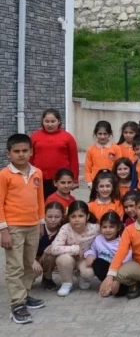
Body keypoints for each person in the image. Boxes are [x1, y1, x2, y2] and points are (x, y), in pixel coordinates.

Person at [1, 133, 46, 324]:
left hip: (33, 225)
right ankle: (17, 304)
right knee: (15, 266)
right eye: (16, 151)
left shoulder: (37, 173)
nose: (21, 155)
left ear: (31, 152)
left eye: (24, 151)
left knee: (29, 264)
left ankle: (25, 294)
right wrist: (4, 230)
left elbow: (40, 200)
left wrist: (41, 222)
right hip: (13, 227)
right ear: (8, 153)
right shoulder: (4, 175)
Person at [50, 200, 100, 296]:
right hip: (70, 258)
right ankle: (67, 282)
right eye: (73, 216)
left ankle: (81, 276)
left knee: (88, 273)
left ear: (87, 216)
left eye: (81, 216)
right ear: (69, 217)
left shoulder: (95, 229)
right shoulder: (66, 228)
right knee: (63, 259)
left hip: (85, 259)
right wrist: (75, 249)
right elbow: (54, 248)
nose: (77, 219)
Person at [30, 109, 79, 197]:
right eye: (47, 121)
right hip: (39, 177)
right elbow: (30, 158)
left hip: (61, 179)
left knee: (61, 204)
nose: (50, 124)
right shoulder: (35, 137)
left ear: (59, 121)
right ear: (42, 122)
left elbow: (73, 159)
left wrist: (74, 180)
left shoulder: (68, 137)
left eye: (53, 121)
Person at [80, 210, 130, 296]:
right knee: (98, 263)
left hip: (119, 271)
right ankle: (106, 285)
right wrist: (89, 255)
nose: (108, 230)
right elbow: (92, 249)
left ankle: (114, 285)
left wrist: (117, 280)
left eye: (111, 227)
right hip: (105, 269)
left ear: (118, 228)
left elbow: (127, 261)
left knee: (120, 293)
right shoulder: (98, 239)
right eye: (104, 227)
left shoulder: (123, 241)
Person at [35, 202, 64, 291]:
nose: (53, 220)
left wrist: (54, 245)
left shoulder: (64, 229)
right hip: (32, 260)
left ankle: (47, 279)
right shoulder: (37, 228)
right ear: (44, 216)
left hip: (48, 259)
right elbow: (25, 248)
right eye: (49, 217)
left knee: (52, 252)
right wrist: (32, 261)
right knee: (26, 282)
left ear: (62, 217)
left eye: (57, 217)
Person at [84, 121, 121, 186]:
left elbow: (119, 166)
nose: (102, 136)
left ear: (109, 134)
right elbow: (88, 168)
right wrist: (89, 181)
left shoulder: (116, 148)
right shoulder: (91, 149)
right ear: (95, 134)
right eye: (100, 134)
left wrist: (117, 180)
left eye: (105, 134)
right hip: (95, 182)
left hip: (111, 181)